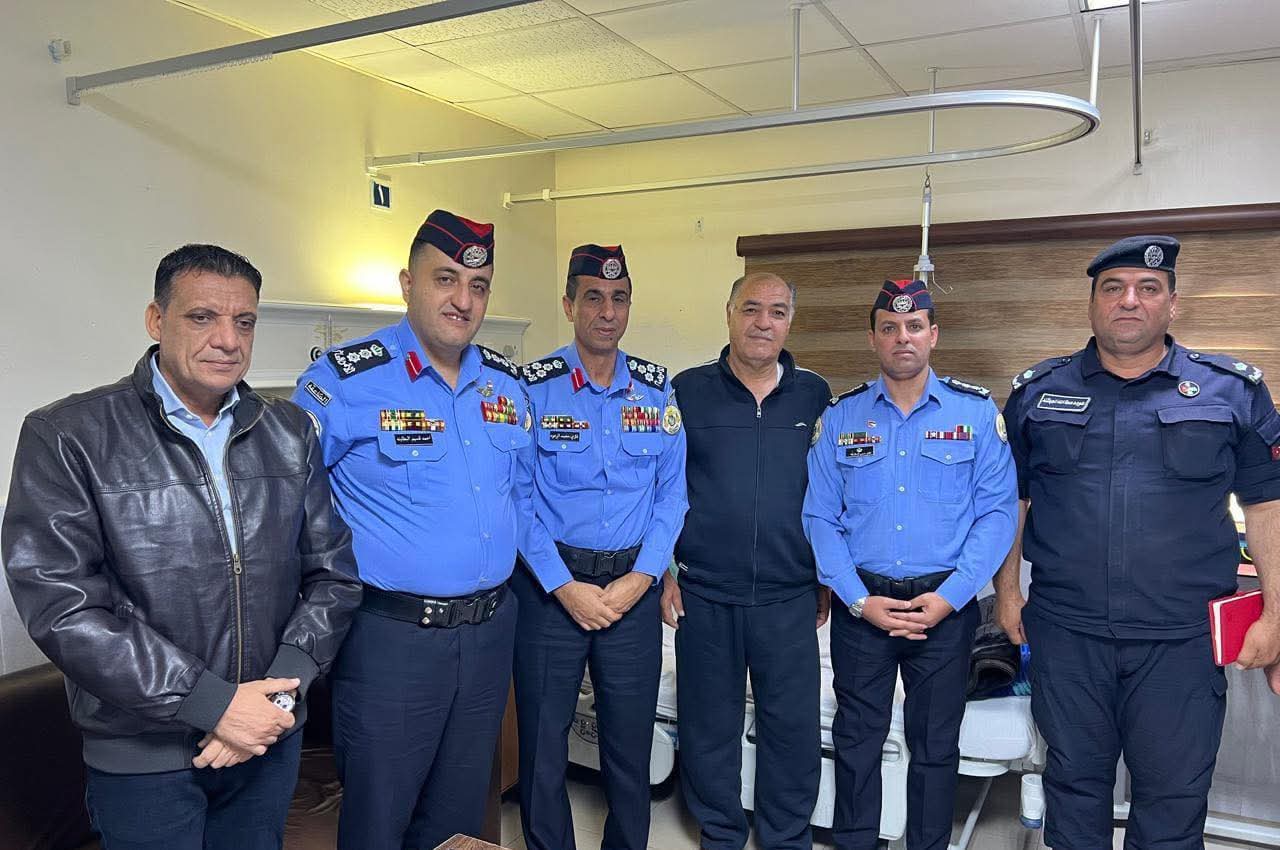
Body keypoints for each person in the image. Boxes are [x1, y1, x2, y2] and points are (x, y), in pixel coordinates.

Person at [2, 244, 362, 850]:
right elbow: (62, 608)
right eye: (202, 317)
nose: (227, 340)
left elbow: (334, 575)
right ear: (156, 320)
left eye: (244, 322)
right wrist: (213, 704)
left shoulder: (289, 430)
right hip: (144, 753)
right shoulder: (67, 435)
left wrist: (276, 693)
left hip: (267, 734)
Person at [994, 236, 1280, 849]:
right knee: (1073, 788)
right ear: (1092, 303)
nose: (1130, 300)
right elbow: (1010, 501)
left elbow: (1266, 507)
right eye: (1113, 288)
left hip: (1181, 640)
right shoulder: (1037, 392)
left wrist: (1277, 614)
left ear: (1172, 304)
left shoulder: (1231, 391)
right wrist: (1007, 593)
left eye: (1148, 288)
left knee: (1173, 799)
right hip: (1068, 633)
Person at [291, 210, 530, 850]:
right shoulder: (343, 382)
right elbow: (291, 510)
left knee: (460, 820)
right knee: (379, 818)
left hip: (488, 633)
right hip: (392, 638)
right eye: (445, 279)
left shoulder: (507, 385)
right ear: (407, 283)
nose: (463, 300)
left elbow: (520, 497)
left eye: (478, 286)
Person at [803, 278, 1017, 850]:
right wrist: (856, 599)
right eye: (890, 328)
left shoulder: (975, 414)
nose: (903, 337)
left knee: (935, 749)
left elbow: (997, 515)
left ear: (933, 335)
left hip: (945, 608)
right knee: (856, 743)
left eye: (914, 326)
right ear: (873, 339)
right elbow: (819, 517)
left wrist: (952, 596)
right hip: (862, 607)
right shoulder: (841, 416)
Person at [514, 243, 688, 850]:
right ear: (569, 305)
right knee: (542, 747)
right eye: (593, 298)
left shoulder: (658, 391)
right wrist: (564, 587)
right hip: (550, 591)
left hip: (631, 591)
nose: (607, 312)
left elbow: (673, 496)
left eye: (619, 298)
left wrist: (644, 577)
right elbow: (517, 500)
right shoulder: (532, 390)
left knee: (630, 746)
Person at [661, 271, 831, 850]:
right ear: (729, 313)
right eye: (751, 308)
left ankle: (786, 838)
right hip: (705, 593)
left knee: (792, 730)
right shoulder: (686, 392)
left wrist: (825, 574)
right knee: (708, 730)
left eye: (777, 312)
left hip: (789, 596)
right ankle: (720, 834)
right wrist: (663, 573)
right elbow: (660, 490)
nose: (763, 322)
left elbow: (831, 494)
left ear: (790, 321)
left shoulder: (815, 395)